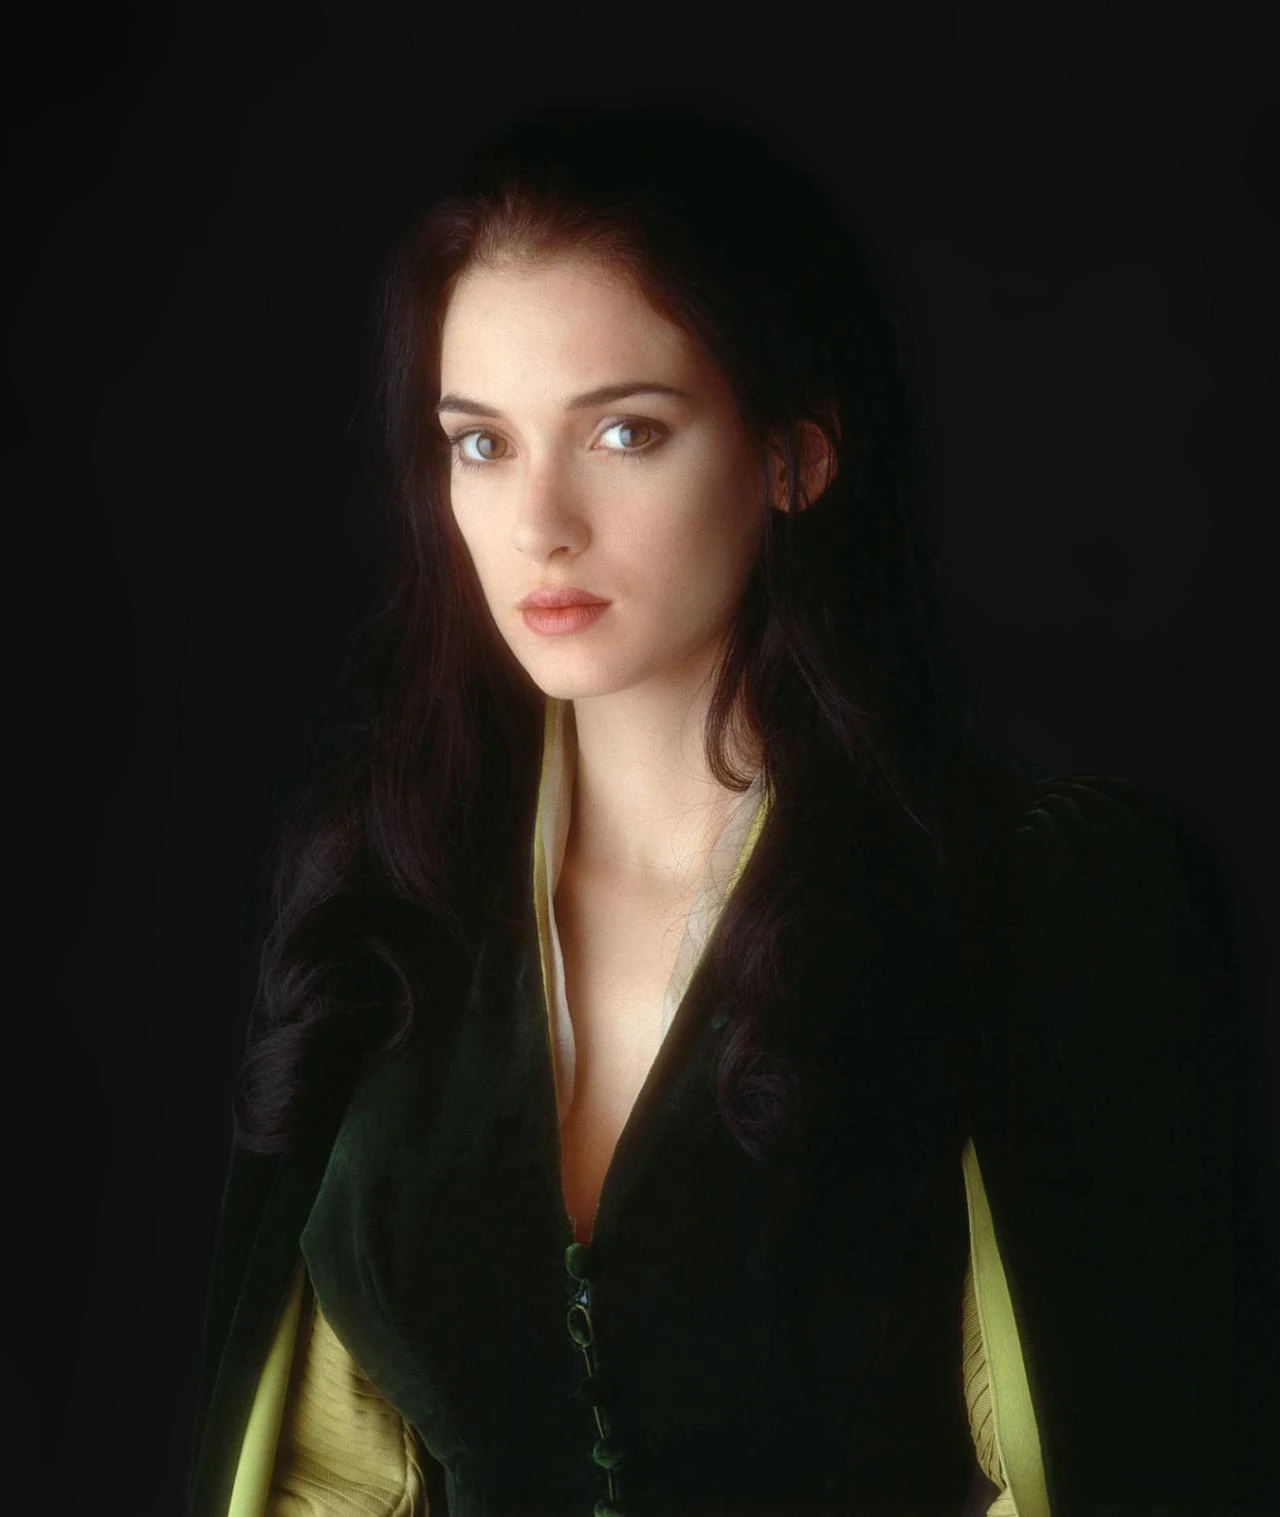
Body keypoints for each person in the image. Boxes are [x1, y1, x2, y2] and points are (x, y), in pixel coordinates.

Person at [184, 103, 1280, 1517]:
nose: (540, 524)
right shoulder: (378, 902)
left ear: (794, 455)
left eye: (624, 431)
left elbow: (1143, 1452)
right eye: (482, 444)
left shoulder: (1043, 899)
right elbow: (321, 1476)